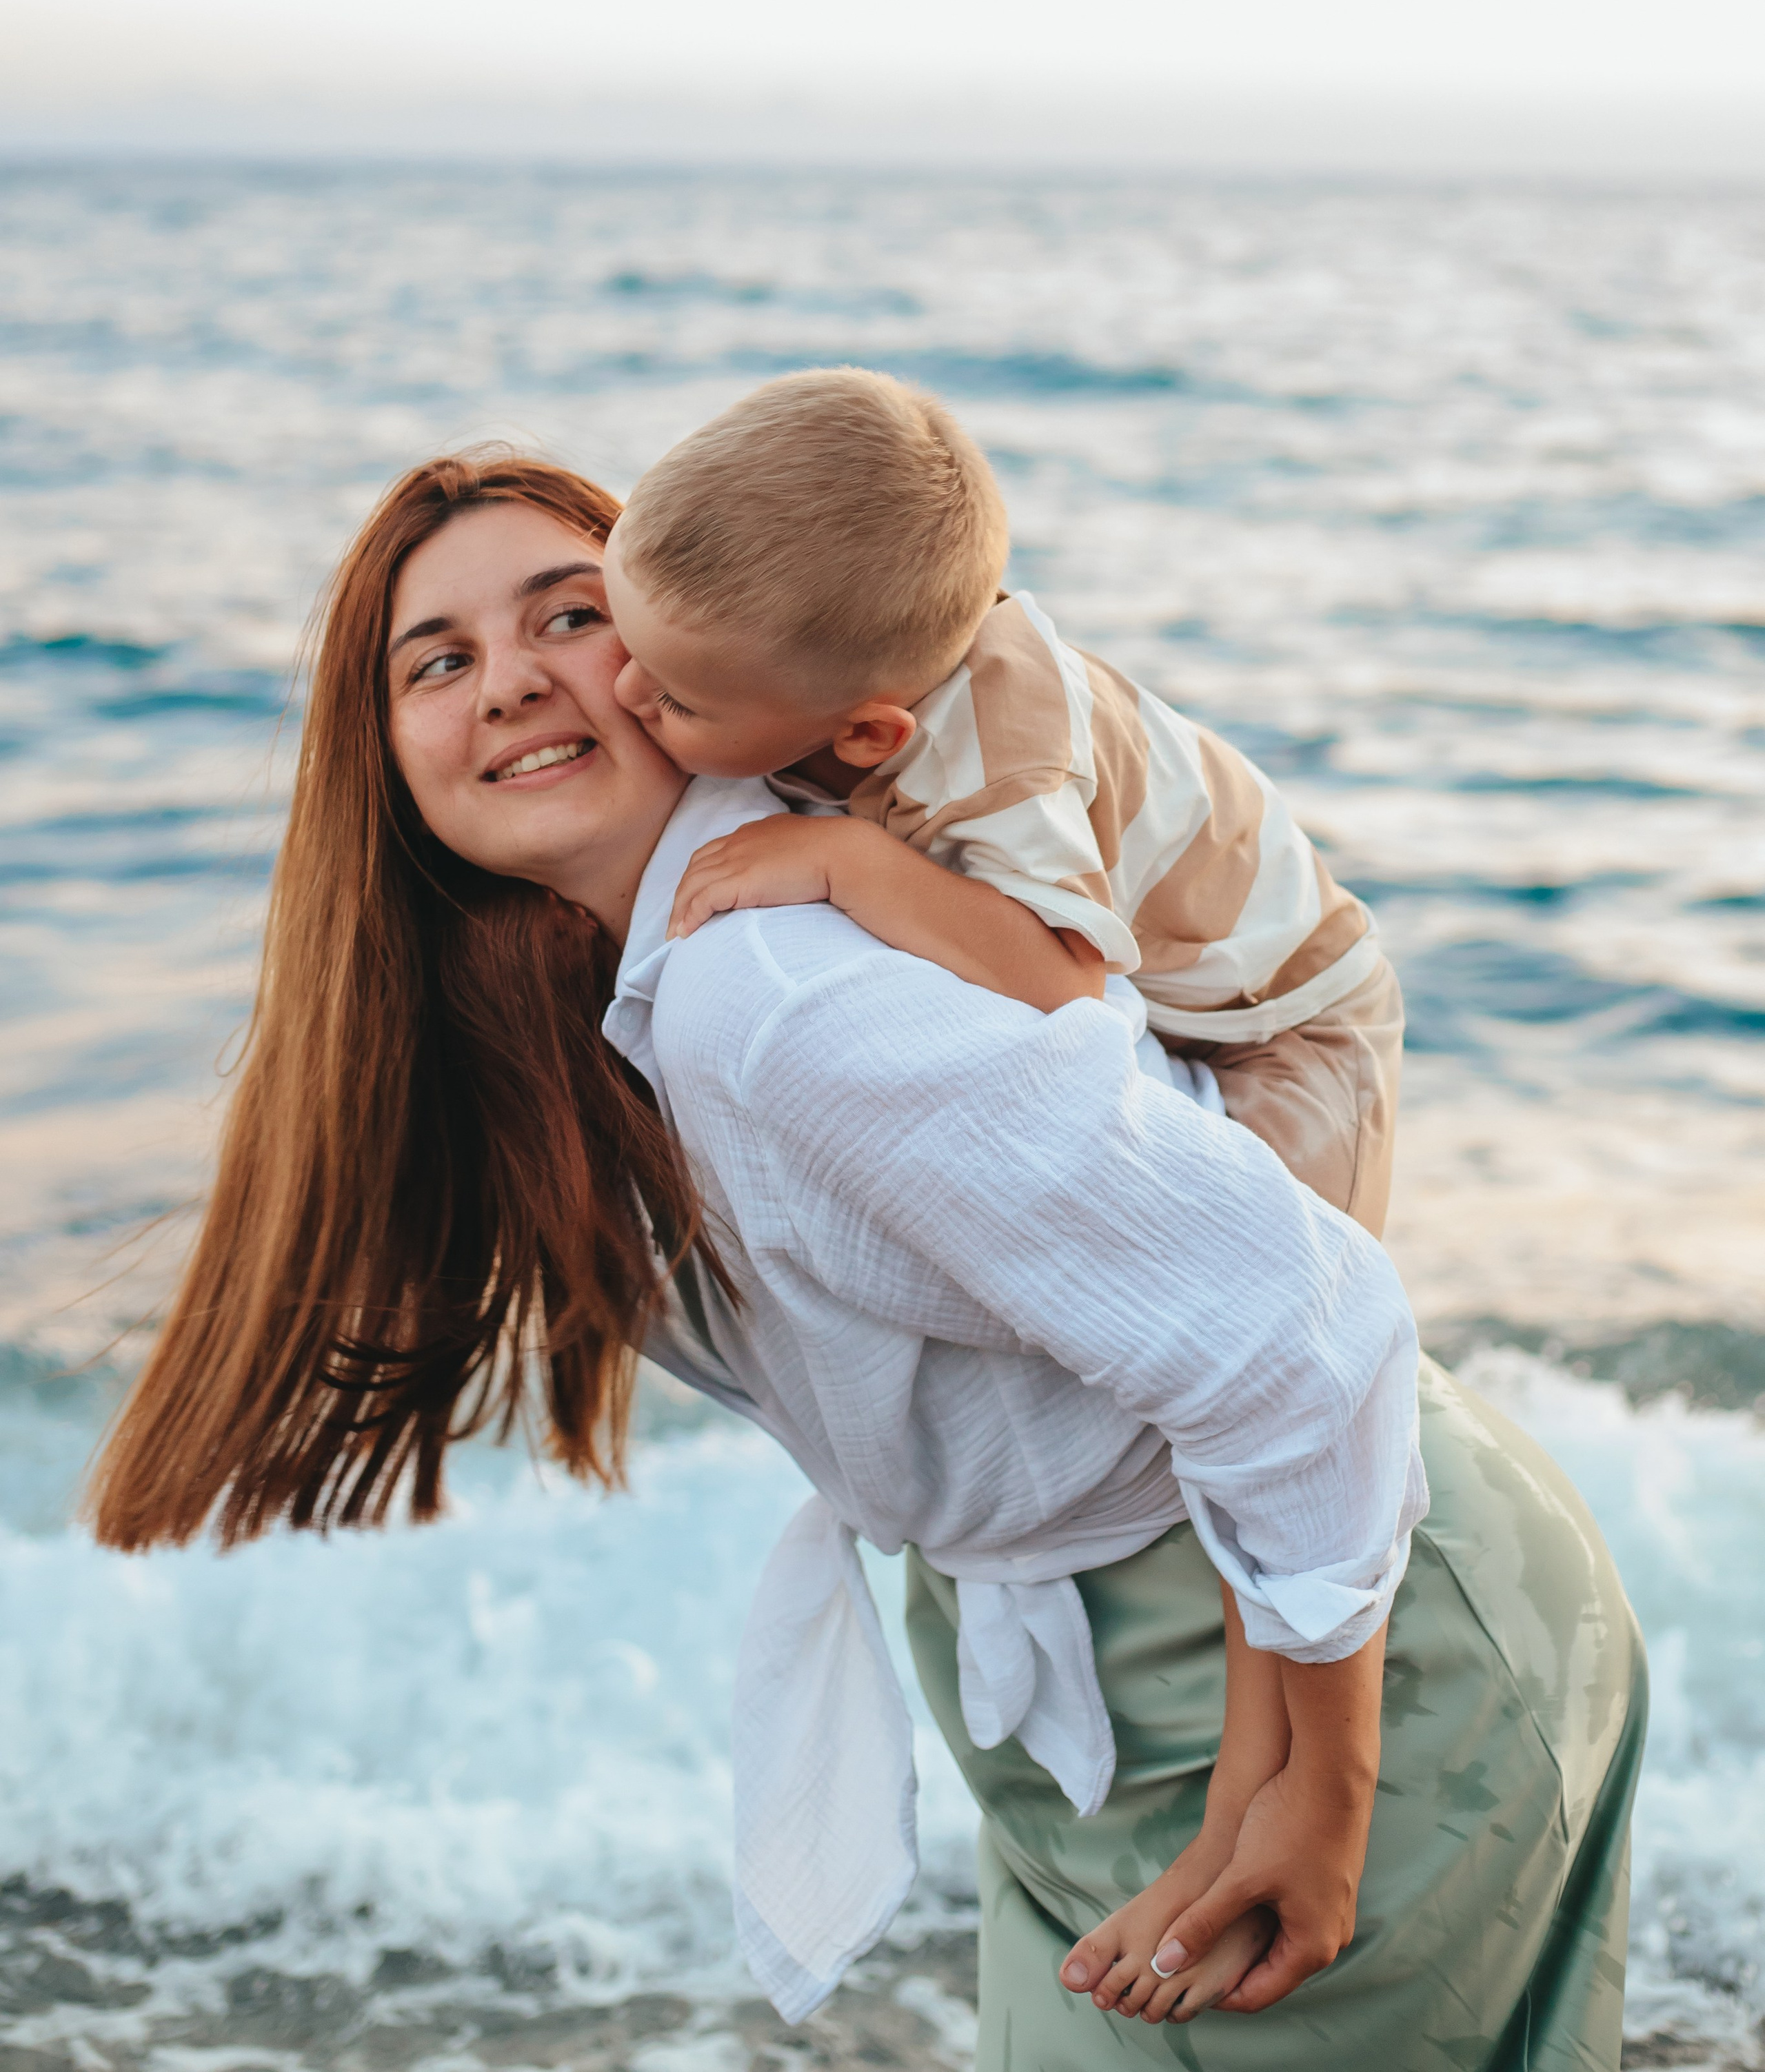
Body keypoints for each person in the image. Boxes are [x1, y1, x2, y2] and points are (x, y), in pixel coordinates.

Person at [90, 453, 1646, 2069]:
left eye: (573, 614)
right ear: (383, 751)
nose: (516, 682)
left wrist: (1322, 1791)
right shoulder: (628, 988)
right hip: (1153, 1679)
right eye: (439, 659)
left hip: (1331, 1660)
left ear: (685, 645)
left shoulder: (774, 988)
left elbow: (1308, 1324)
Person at [603, 365, 1401, 1233]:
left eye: (678, 701)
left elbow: (1059, 981)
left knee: (1294, 1276)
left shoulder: (1004, 770)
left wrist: (844, 859)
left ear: (869, 736)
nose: (623, 690)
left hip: (1297, 1026)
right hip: (1185, 974)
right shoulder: (841, 673)